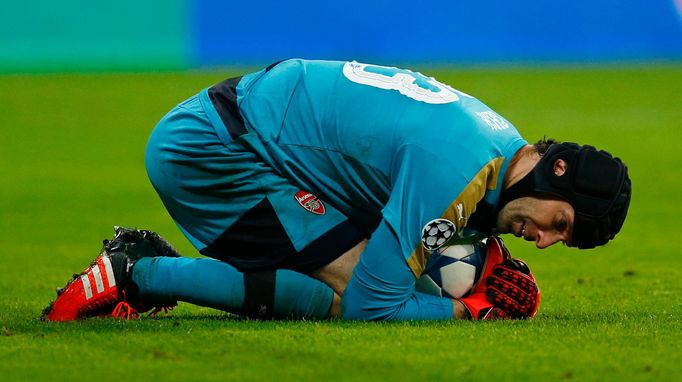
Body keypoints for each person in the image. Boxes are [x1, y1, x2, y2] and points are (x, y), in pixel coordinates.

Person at [42, 59, 631, 322]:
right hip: (217, 151)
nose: (548, 241)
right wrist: (464, 308)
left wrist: (484, 259)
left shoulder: (498, 145)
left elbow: (429, 233)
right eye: (561, 224)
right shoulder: (461, 170)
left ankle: (147, 270)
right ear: (557, 175)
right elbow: (375, 302)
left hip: (242, 128)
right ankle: (137, 271)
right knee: (345, 295)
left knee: (351, 277)